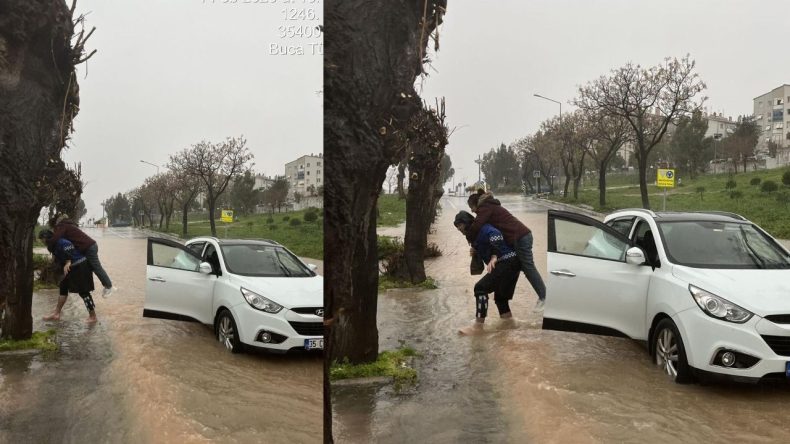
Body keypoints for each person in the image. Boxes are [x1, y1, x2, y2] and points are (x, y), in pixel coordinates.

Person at [467, 189, 547, 312]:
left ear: (476, 204)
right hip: (520, 237)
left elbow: (477, 225)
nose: (472, 211)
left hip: (521, 237)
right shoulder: (489, 206)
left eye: (471, 207)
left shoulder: (485, 207)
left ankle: (544, 297)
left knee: (528, 267)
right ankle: (542, 297)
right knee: (522, 267)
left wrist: (469, 238)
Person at [454, 211, 522, 335]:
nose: (458, 228)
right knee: (501, 299)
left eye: (460, 224)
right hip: (513, 263)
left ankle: (478, 327)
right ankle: (509, 325)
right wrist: (476, 251)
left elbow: (496, 235)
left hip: (507, 262)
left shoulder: (483, 229)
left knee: (480, 288)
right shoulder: (474, 235)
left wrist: (494, 256)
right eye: (456, 226)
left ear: (467, 222)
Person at [39, 229, 98, 323]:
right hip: (69, 268)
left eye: (41, 239)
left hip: (81, 266)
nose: (41, 242)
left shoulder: (61, 241)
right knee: (63, 288)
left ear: (45, 238)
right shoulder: (52, 246)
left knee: (83, 292)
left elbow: (69, 248)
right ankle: (56, 314)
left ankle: (93, 316)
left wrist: (68, 261)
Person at [49, 214, 115, 297]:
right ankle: (104, 286)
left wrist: (49, 245)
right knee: (92, 267)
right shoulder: (70, 226)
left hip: (89, 247)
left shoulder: (63, 225)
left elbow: (56, 238)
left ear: (58, 222)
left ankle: (109, 286)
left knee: (96, 267)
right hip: (90, 246)